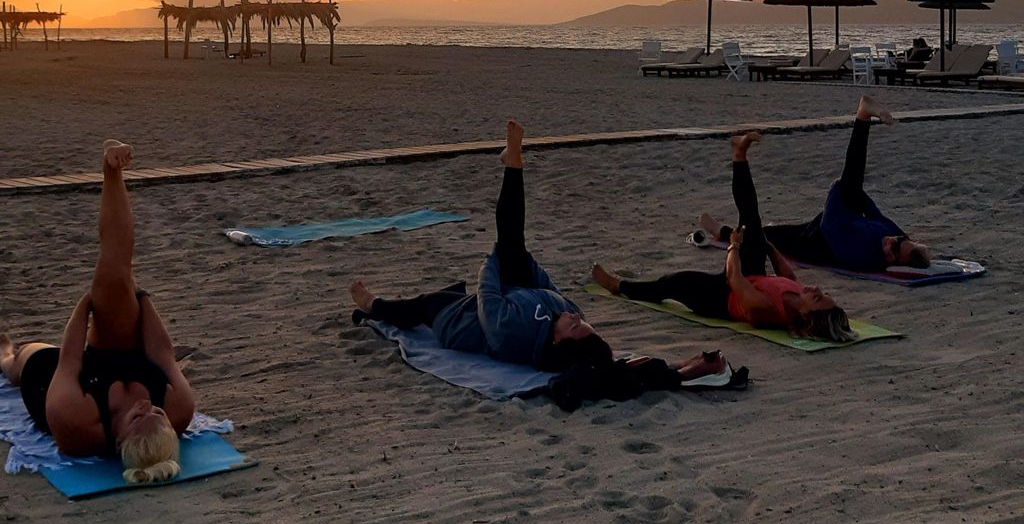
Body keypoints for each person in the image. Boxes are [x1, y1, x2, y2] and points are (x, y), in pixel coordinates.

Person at [351, 120, 728, 394]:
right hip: (511, 288)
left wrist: (493, 260)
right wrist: (522, 260)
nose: (577, 317)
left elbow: (488, 299)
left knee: (421, 307)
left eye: (575, 325)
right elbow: (546, 286)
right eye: (583, 322)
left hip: (458, 323)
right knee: (514, 242)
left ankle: (374, 305)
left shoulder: (514, 333)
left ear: (558, 343)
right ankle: (512, 167)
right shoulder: (563, 316)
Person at [0, 141, 195, 484]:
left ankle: (4, 354)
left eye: (138, 418)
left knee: (16, 363)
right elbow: (162, 353)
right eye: (156, 412)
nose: (145, 406)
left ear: (119, 441)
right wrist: (134, 296)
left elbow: (69, 361)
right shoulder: (179, 408)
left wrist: (89, 302)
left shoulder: (77, 425)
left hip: (51, 376)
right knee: (116, 271)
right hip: (116, 356)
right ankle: (112, 168)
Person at [593, 132, 856, 343]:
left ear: (806, 314)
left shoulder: (767, 311)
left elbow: (734, 280)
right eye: (823, 293)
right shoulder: (800, 298)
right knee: (752, 218)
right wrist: (769, 247)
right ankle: (739, 153)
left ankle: (619, 286)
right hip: (752, 275)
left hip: (721, 296)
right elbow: (788, 279)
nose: (817, 290)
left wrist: (733, 247)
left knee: (671, 283)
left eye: (818, 298)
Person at [698, 96, 930, 273]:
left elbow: (832, 225)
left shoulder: (862, 256)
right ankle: (862, 117)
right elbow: (873, 213)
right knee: (852, 184)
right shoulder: (894, 235)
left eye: (896, 247)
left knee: (759, 236)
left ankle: (721, 231)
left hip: (814, 240)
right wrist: (853, 191)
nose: (895, 240)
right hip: (828, 221)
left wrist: (836, 190)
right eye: (902, 239)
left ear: (892, 261)